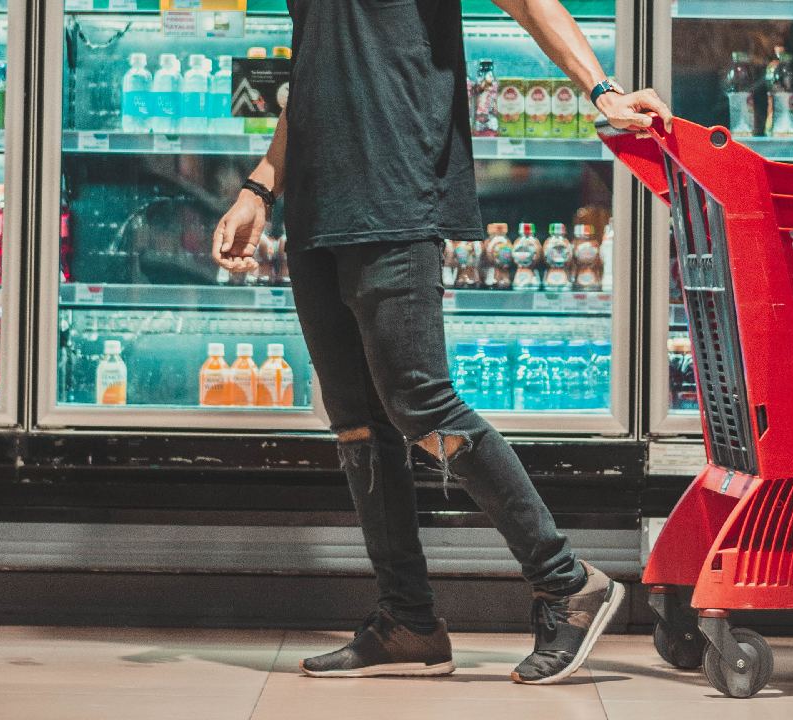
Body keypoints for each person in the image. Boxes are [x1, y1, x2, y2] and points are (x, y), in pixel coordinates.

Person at [212, 0, 672, 686]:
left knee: (420, 401)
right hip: (316, 201)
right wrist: (260, 187)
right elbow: (314, 75)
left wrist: (600, 88)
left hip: (396, 189)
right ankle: (408, 621)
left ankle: (567, 582)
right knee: (357, 423)